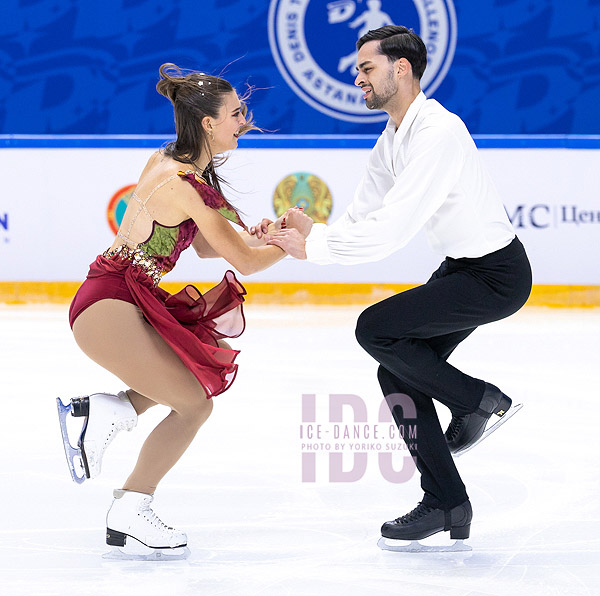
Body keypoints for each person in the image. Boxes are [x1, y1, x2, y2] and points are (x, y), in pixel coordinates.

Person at [259, 26, 532, 548]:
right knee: (396, 374)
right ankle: (448, 502)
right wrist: (310, 233)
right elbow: (366, 217)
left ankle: (478, 400)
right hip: (465, 270)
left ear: (400, 69)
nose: (357, 76)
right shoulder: (393, 140)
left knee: (375, 328)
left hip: (496, 275)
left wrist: (313, 249)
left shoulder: (437, 134)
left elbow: (392, 232)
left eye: (366, 68)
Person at [56, 63, 312, 559]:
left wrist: (255, 234)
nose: (245, 119)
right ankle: (131, 508)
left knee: (198, 359)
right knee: (196, 403)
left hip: (120, 298)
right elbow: (244, 264)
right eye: (237, 113)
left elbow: (206, 247)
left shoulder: (174, 163)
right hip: (110, 307)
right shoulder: (185, 182)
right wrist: (290, 242)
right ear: (209, 124)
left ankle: (106, 411)